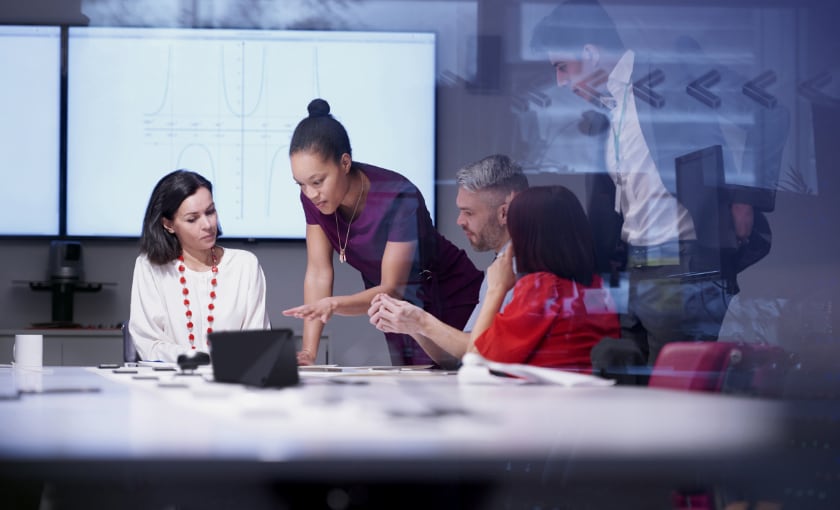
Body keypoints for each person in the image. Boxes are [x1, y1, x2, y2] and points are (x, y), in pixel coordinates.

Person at [530, 0, 789, 366]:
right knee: (630, 396)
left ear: (589, 52)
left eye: (562, 67)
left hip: (683, 268)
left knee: (675, 396)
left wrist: (745, 198)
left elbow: (769, 111)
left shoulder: (671, 73)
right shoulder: (607, 110)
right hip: (633, 273)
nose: (560, 81)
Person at [282, 98, 483, 366]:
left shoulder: (397, 195)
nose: (310, 194)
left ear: (344, 163)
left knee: (463, 381)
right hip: (394, 308)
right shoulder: (313, 198)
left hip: (446, 294)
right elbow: (318, 272)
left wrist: (332, 304)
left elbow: (392, 288)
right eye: (301, 184)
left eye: (317, 182)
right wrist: (309, 351)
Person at [368, 154, 529, 369]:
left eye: (468, 212)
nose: (460, 221)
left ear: (504, 213)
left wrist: (422, 321)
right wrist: (412, 326)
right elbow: (459, 356)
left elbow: (475, 353)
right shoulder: (500, 267)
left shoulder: (518, 271)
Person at [465, 185, 619, 369]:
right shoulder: (596, 287)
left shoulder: (542, 289)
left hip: (544, 395)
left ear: (524, 240)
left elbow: (475, 360)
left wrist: (496, 289)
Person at [129, 170, 270, 362]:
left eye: (210, 211)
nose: (207, 224)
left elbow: (257, 343)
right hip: (169, 386)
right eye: (192, 219)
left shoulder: (245, 266)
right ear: (168, 224)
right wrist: (195, 359)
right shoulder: (150, 267)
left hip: (233, 385)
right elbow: (149, 344)